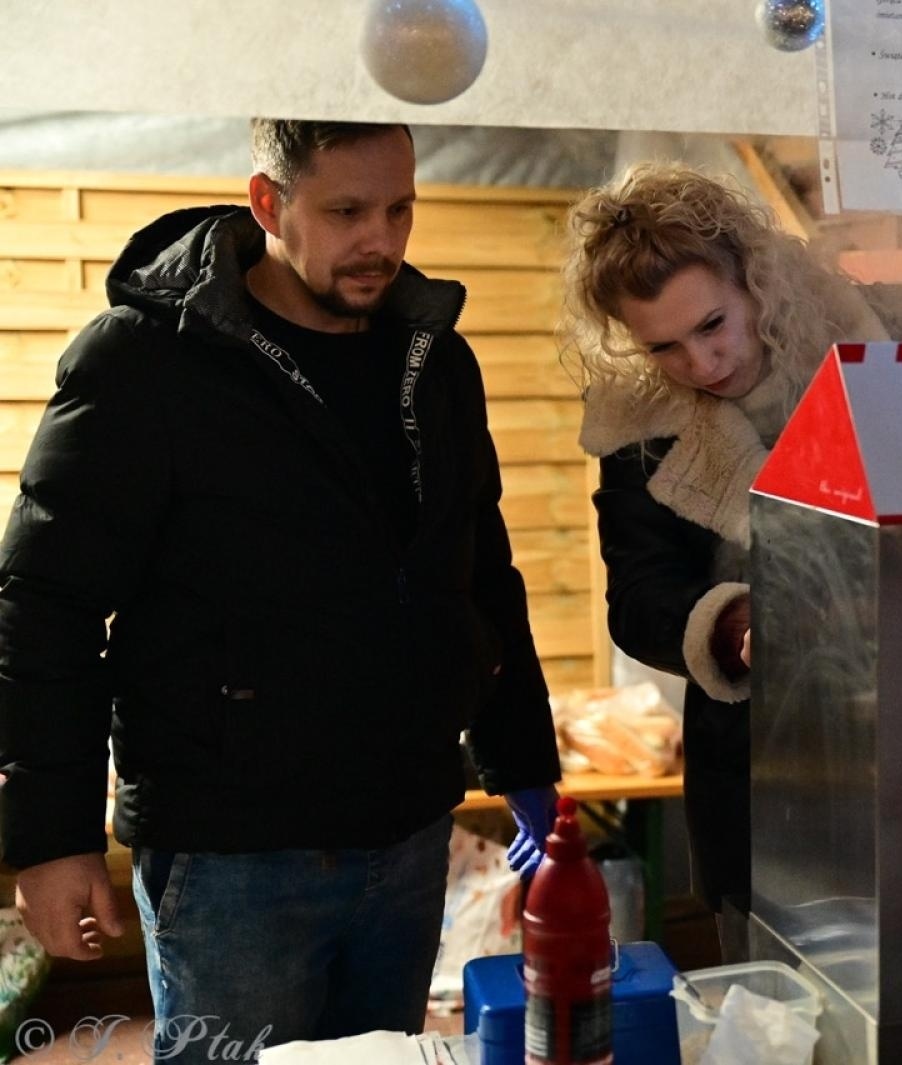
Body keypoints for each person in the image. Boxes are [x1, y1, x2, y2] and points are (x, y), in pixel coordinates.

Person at [0, 119, 560, 1060]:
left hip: (411, 832)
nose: (380, 238)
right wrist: (51, 839)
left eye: (400, 207)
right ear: (269, 203)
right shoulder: (143, 364)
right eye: (346, 211)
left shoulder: (436, 363)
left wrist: (523, 758)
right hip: (231, 860)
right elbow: (41, 604)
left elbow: (480, 569)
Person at [563, 163, 902, 956]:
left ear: (754, 277)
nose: (700, 364)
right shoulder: (640, 432)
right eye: (662, 346)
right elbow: (639, 597)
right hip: (763, 774)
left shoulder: (879, 342)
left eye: (713, 324)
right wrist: (733, 622)